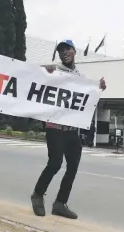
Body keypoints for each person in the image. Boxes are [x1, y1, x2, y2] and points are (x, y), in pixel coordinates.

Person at [31, 40, 106, 219]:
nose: (64, 53)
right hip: (54, 127)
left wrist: (99, 87)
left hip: (72, 130)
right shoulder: (54, 71)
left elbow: (88, 95)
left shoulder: (80, 76)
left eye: (67, 49)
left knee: (72, 167)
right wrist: (45, 74)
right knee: (55, 163)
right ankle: (38, 195)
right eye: (61, 51)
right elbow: (40, 82)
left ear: (74, 51)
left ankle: (60, 203)